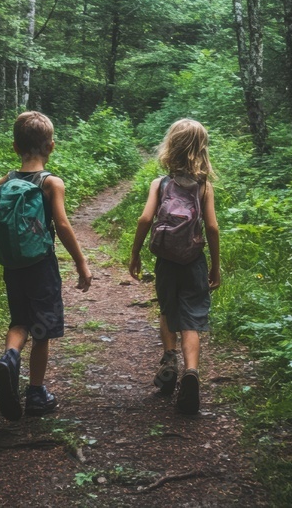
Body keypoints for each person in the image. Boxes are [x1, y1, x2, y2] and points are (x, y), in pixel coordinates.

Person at [0, 111, 92, 420]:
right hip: (41, 265)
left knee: (19, 321)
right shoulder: (51, 183)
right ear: (51, 146)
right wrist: (81, 263)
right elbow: (62, 225)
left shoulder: (5, 182)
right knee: (41, 331)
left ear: (15, 147)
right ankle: (36, 393)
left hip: (13, 266)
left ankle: (9, 358)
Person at [129, 118, 220, 415]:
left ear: (170, 147)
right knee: (191, 318)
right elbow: (212, 228)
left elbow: (145, 219)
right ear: (201, 149)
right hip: (194, 261)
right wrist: (215, 265)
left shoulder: (160, 184)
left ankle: (170, 358)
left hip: (166, 260)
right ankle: (191, 371)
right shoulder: (204, 187)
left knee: (169, 310)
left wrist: (135, 254)